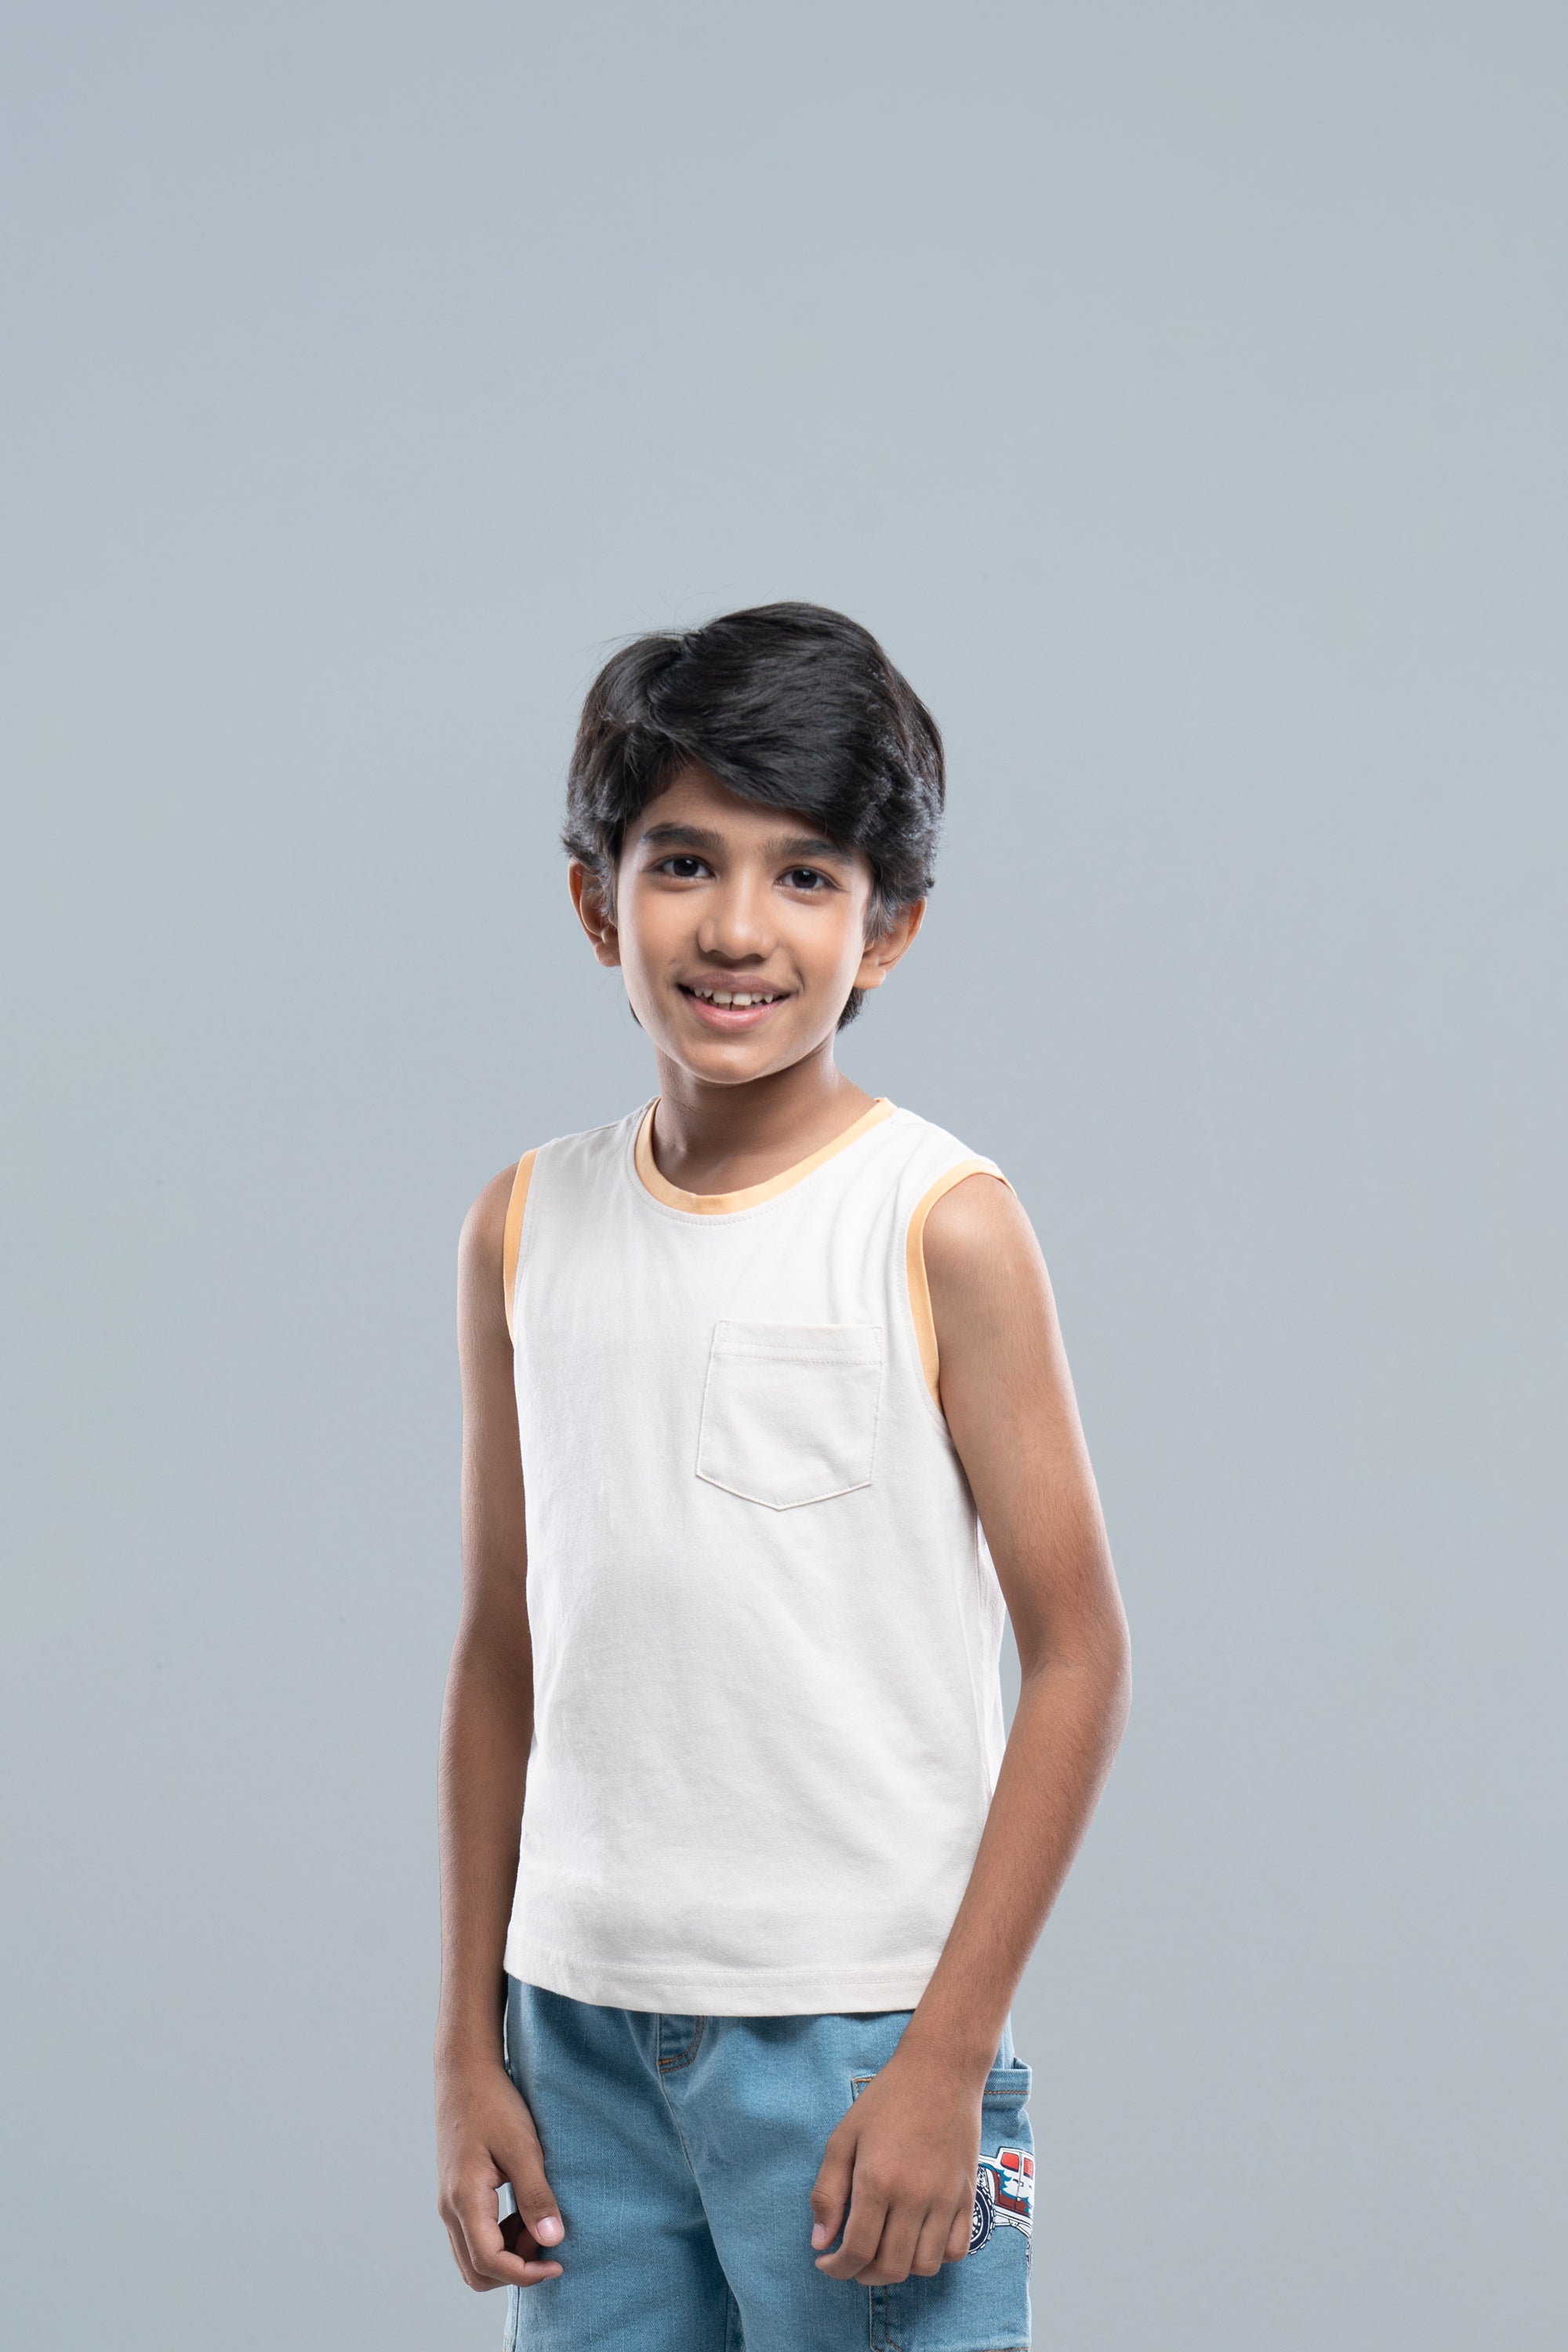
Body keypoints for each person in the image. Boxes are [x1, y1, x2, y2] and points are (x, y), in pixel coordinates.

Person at [435, 602, 1131, 2351]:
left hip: (856, 2042)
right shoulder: (524, 1225)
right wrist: (467, 2046)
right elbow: (504, 1648)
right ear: (596, 901)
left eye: (805, 875)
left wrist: (947, 2061)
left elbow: (1079, 1655)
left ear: (886, 927)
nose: (737, 927)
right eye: (683, 862)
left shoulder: (939, 1224)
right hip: (577, 2035)